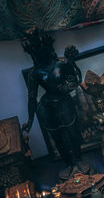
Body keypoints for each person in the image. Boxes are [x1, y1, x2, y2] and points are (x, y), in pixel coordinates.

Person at [21, 27, 87, 179]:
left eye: (42, 46)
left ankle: (78, 160)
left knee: (72, 133)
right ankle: (68, 164)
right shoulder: (35, 73)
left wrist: (70, 67)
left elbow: (75, 80)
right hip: (46, 107)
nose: (40, 51)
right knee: (57, 138)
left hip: (64, 102)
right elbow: (32, 97)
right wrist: (30, 120)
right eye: (36, 49)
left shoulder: (61, 64)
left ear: (49, 46)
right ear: (32, 53)